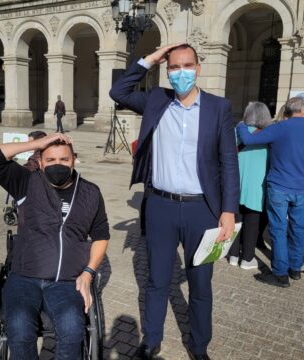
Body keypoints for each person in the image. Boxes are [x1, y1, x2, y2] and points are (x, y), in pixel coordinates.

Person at [110, 43, 239, 360]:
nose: (181, 72)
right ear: (167, 71)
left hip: (203, 210)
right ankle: (151, 340)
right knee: (156, 280)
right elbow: (118, 91)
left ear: (198, 68)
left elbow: (229, 163)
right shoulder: (157, 99)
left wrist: (228, 211)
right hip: (160, 207)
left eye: (187, 66)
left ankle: (199, 345)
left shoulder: (218, 107)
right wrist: (150, 60)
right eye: (174, 67)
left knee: (200, 284)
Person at [0, 133, 110, 359]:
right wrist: (36, 143)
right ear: (40, 162)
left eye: (64, 159)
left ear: (74, 159)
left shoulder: (90, 192)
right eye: (50, 160)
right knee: (19, 328)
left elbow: (101, 236)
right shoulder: (26, 183)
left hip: (67, 280)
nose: (57, 165)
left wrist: (88, 273)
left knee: (72, 329)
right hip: (24, 276)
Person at [236, 97, 304, 288]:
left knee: (278, 229)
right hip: (302, 189)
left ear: (286, 112)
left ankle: (280, 274)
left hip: (279, 187)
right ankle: (295, 269)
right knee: (298, 230)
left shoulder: (280, 127)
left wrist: (242, 124)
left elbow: (248, 139)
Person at [228, 102, 273, 270]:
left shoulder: (236, 131)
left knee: (236, 219)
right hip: (256, 186)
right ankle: (247, 258)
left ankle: (233, 255)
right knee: (252, 223)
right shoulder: (268, 136)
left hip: (235, 183)